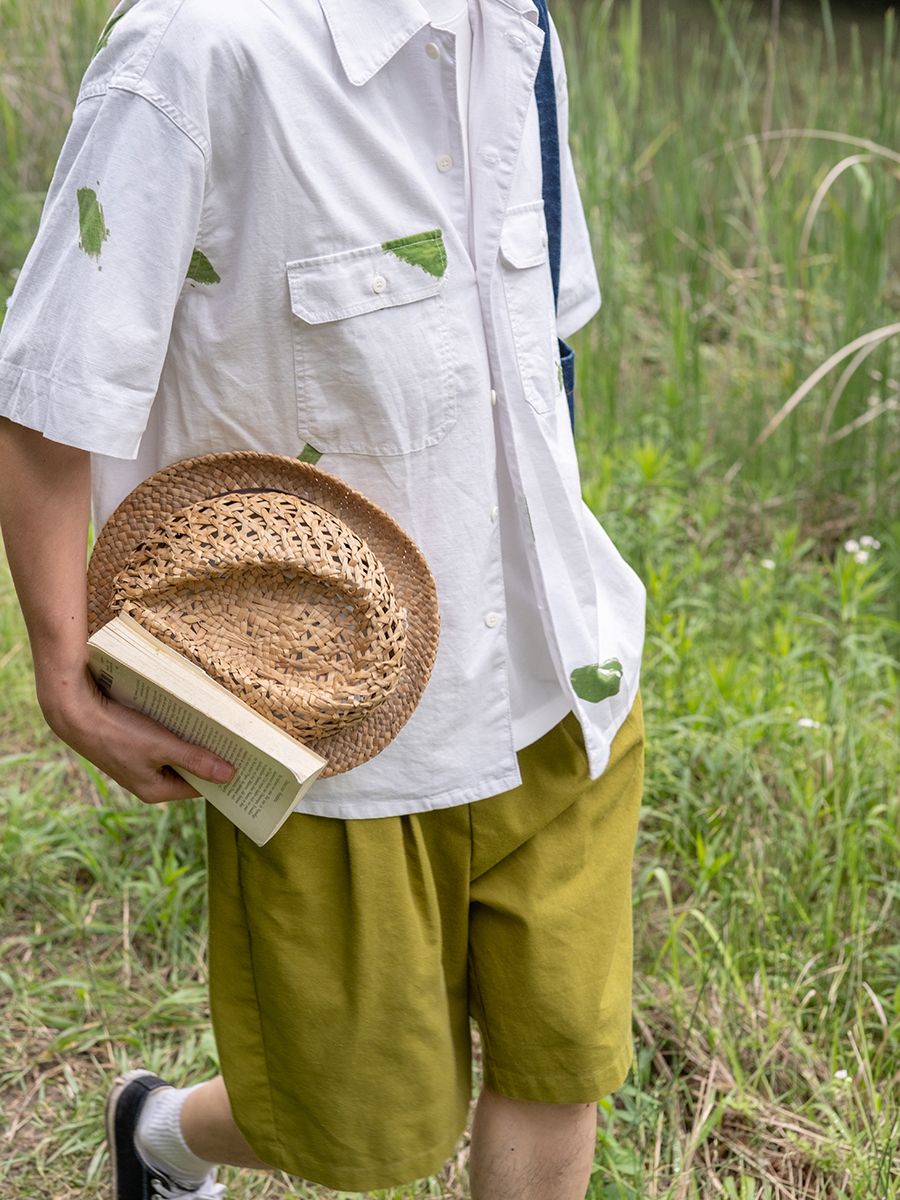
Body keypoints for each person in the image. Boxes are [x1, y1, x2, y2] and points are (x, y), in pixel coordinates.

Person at [0, 0, 646, 1197]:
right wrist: (63, 680)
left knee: (560, 1060)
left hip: (566, 682)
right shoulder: (194, 55)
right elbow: (48, 399)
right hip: (337, 741)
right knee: (367, 1119)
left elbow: (538, 357)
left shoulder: (522, 32)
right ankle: (158, 1132)